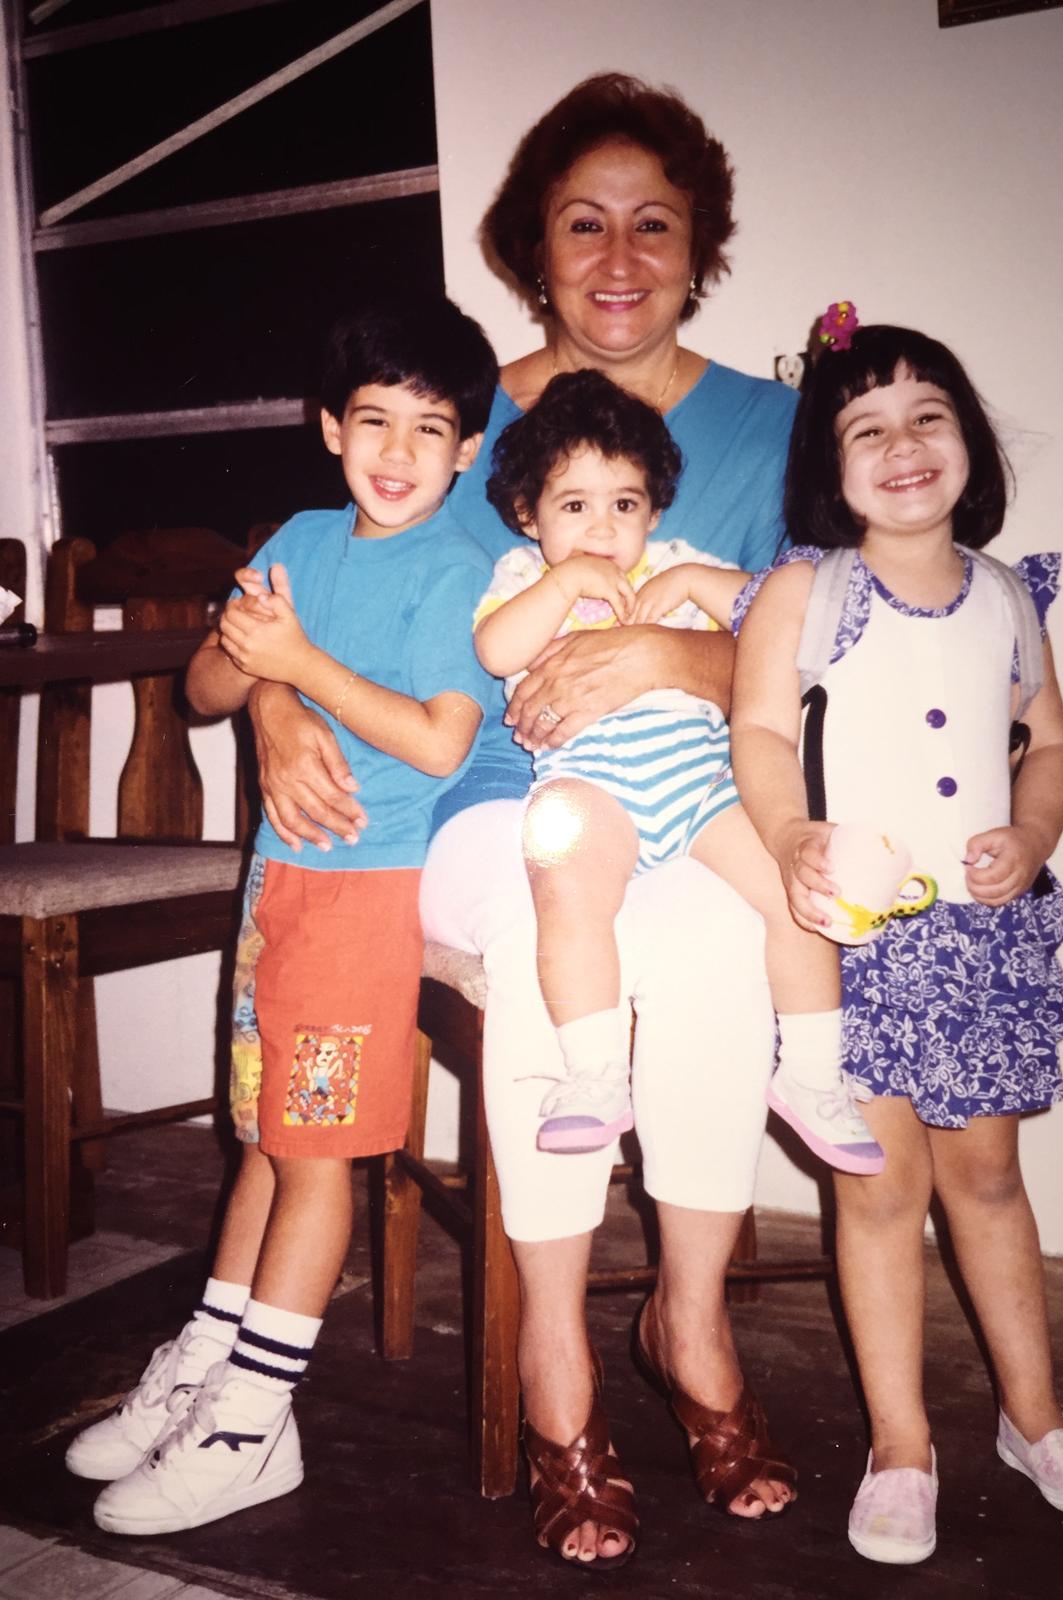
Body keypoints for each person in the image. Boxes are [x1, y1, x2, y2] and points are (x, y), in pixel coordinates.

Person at [242, 75, 801, 1567]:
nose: (618, 258)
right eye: (581, 225)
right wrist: (279, 705)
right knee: (555, 911)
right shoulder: (455, 405)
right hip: (478, 804)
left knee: (716, 945)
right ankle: (560, 1364)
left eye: (654, 225)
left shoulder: (769, 425)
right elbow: (334, 592)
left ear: (700, 247)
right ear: (532, 248)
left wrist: (671, 652)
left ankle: (687, 1328)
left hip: (678, 794)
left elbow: (821, 636)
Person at [65, 299, 497, 1536]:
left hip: (367, 901)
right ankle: (206, 1364)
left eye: (431, 428)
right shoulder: (304, 536)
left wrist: (299, 666)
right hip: (278, 894)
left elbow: (437, 736)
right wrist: (264, 673)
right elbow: (205, 680)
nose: (400, 451)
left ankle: (257, 1425)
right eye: (374, 421)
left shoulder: (458, 570)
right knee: (262, 1137)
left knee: (315, 1156)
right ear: (329, 428)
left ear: (466, 449)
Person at [730, 320, 1063, 1566]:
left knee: (991, 1181)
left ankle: (1035, 1416)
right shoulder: (810, 586)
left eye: (928, 416)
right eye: (866, 427)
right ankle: (900, 1441)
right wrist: (793, 834)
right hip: (864, 944)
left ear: (970, 439)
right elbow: (752, 729)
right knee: (880, 1190)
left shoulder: (1012, 596)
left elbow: (1051, 742)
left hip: (981, 944)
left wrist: (1035, 828)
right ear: (828, 464)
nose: (902, 446)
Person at [475, 366, 881, 1173]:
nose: (601, 528)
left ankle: (811, 1072)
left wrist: (694, 579)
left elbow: (776, 623)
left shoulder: (674, 562)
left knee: (797, 890)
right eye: (573, 505)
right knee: (563, 885)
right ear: (528, 515)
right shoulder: (524, 577)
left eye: (624, 504)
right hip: (588, 788)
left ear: (654, 511)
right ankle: (593, 1071)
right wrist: (562, 586)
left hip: (700, 784)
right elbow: (496, 650)